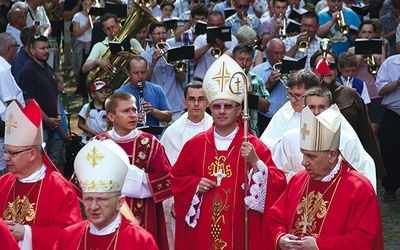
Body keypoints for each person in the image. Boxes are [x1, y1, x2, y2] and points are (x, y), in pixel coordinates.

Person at [171, 55, 286, 249]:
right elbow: (177, 178)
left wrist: (257, 164)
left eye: (228, 106)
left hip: (240, 231)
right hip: (203, 232)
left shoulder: (253, 146)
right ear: (210, 108)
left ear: (239, 109)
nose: (222, 111)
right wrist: (195, 184)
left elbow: (278, 182)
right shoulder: (195, 145)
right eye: (217, 106)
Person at [268, 103, 384, 250]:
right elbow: (276, 218)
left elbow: (365, 238)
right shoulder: (298, 180)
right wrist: (280, 238)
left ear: (332, 155)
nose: (304, 162)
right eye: (303, 154)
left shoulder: (359, 188)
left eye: (311, 156)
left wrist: (320, 246)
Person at [72, 92, 172, 249]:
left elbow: (166, 181)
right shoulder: (98, 145)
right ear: (111, 117)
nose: (133, 115)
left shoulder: (150, 143)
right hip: (104, 218)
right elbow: (81, 183)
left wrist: (127, 177)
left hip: (144, 217)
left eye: (134, 110)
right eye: (126, 111)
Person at [0, 100, 82, 249]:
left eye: (12, 153)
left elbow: (70, 235)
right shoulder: (2, 184)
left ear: (32, 154)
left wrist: (26, 233)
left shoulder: (59, 188)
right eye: (6, 151)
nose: (5, 158)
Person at [54, 139, 158, 249]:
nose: (93, 207)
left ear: (119, 202)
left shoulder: (140, 241)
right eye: (89, 199)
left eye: (101, 199)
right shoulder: (68, 237)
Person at [273, 86, 377, 190]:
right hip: (300, 196)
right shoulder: (289, 138)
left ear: (331, 108)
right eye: (311, 107)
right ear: (304, 108)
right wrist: (300, 180)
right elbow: (278, 174)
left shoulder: (347, 140)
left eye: (322, 107)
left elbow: (363, 174)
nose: (316, 112)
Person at [310, 48, 386, 181]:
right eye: (321, 65)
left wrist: (373, 169)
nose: (326, 69)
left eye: (331, 66)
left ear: (337, 69)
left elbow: (366, 134)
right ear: (312, 70)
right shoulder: (304, 98)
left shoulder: (351, 95)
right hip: (314, 167)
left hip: (349, 165)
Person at [160, 81, 213, 250]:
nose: (196, 104)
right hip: (183, 198)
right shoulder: (172, 132)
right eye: (191, 99)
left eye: (201, 99)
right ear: (184, 102)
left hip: (213, 194)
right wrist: (176, 201)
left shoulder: (218, 127)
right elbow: (169, 172)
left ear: (208, 102)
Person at [18, 34, 61, 163]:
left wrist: (59, 115)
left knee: (54, 161)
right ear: (32, 50)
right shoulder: (28, 71)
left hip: (54, 125)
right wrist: (47, 120)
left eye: (48, 48)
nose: (46, 51)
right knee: (41, 161)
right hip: (39, 127)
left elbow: (56, 94)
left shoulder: (48, 69)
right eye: (42, 48)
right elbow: (29, 101)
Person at [259, 69, 318, 154]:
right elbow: (266, 146)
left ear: (312, 93)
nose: (293, 100)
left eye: (297, 95)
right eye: (290, 95)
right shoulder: (285, 111)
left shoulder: (324, 112)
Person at [141, 22, 186, 123]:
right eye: (158, 34)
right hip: (156, 107)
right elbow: (144, 80)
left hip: (176, 106)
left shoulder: (175, 52)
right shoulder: (144, 56)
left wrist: (176, 65)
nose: (161, 37)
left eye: (164, 33)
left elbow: (182, 79)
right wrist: (153, 63)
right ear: (150, 36)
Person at [114, 55, 172, 127]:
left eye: (143, 72)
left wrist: (153, 111)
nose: (140, 76)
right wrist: (131, 118)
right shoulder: (119, 94)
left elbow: (169, 117)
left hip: (152, 136)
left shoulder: (157, 89)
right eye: (136, 73)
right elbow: (113, 120)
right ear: (128, 73)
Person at [0, 32, 26, 176]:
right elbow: (10, 100)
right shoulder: (2, 70)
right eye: (17, 46)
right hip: (8, 123)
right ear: (10, 48)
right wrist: (26, 121)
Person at [375, 53, 400, 202]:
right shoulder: (390, 63)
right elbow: (380, 89)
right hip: (393, 114)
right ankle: (390, 187)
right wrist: (396, 83)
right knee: (390, 151)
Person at [231, 44, 270, 137]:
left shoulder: (257, 80)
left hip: (250, 131)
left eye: (248, 60)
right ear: (233, 59)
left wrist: (251, 94)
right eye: (240, 59)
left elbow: (266, 108)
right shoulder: (223, 79)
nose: (244, 63)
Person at [251, 38, 289, 133]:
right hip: (265, 119)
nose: (280, 57)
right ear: (267, 53)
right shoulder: (257, 71)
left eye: (283, 53)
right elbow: (253, 100)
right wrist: (268, 84)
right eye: (276, 54)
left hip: (287, 118)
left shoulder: (291, 69)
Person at [192, 11, 238, 81]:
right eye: (212, 25)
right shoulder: (201, 38)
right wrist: (209, 43)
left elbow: (236, 61)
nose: (215, 28)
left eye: (218, 25)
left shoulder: (232, 39)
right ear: (207, 25)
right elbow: (192, 58)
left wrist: (223, 48)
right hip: (202, 81)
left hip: (224, 81)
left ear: (224, 25)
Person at [71, 0, 93, 103]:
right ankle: (84, 95)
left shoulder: (94, 16)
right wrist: (87, 25)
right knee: (81, 71)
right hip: (82, 45)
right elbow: (76, 33)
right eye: (85, 4)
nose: (87, 6)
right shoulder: (77, 16)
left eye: (90, 4)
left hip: (91, 45)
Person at [78, 80, 110, 144]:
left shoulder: (108, 108)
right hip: (88, 141)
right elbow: (80, 124)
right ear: (93, 94)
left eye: (106, 92)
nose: (104, 94)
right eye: (101, 92)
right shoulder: (87, 107)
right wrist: (91, 132)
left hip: (103, 140)